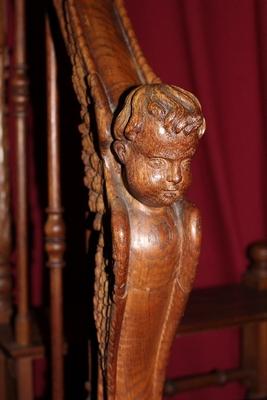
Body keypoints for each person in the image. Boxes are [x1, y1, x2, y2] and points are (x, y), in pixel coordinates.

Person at [102, 83, 205, 399]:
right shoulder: (120, 224)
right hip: (125, 319)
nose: (175, 177)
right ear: (122, 153)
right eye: (159, 162)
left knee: (156, 359)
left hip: (159, 312)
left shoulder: (188, 219)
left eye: (183, 162)